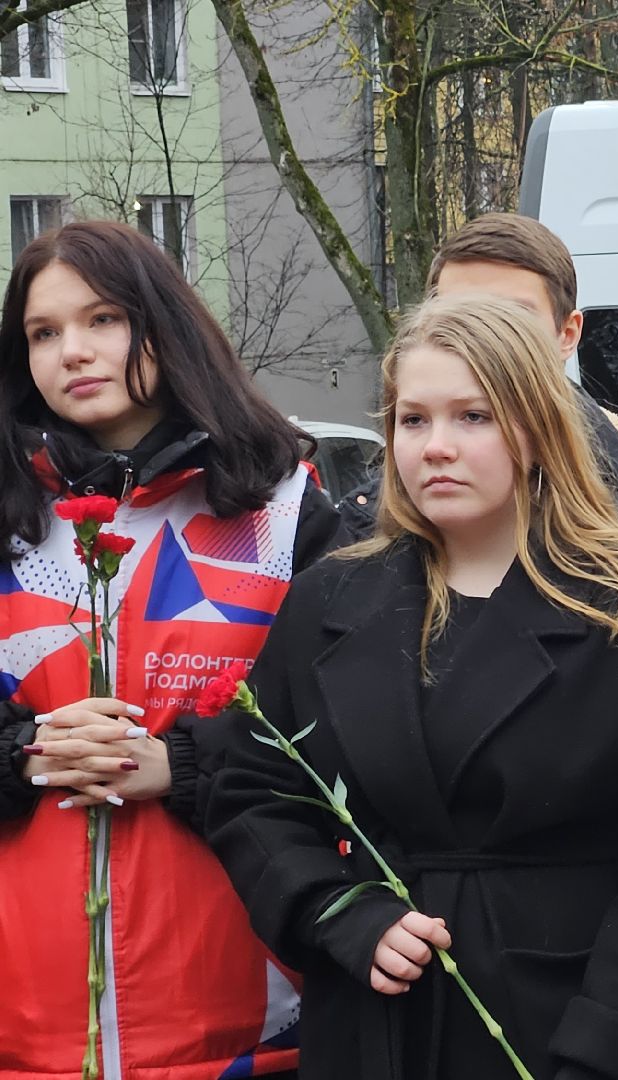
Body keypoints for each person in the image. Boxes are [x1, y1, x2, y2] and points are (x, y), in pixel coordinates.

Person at [200, 296, 618, 1079]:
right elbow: (253, 791)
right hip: (378, 1024)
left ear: (538, 428)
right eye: (413, 420)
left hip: (571, 1022)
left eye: (472, 417)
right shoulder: (331, 600)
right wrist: (341, 911)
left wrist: (607, 1048)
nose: (435, 447)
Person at [0, 220, 343, 1079]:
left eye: (103, 319)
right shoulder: (6, 517)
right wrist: (22, 757)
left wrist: (185, 766)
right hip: (23, 1032)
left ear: (163, 325)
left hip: (244, 1021)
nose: (72, 351)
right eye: (43, 333)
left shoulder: (283, 510)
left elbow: (346, 730)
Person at [339, 212, 618, 608]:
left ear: (568, 334)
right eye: (458, 317)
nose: (482, 341)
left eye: (514, 319)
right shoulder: (368, 516)